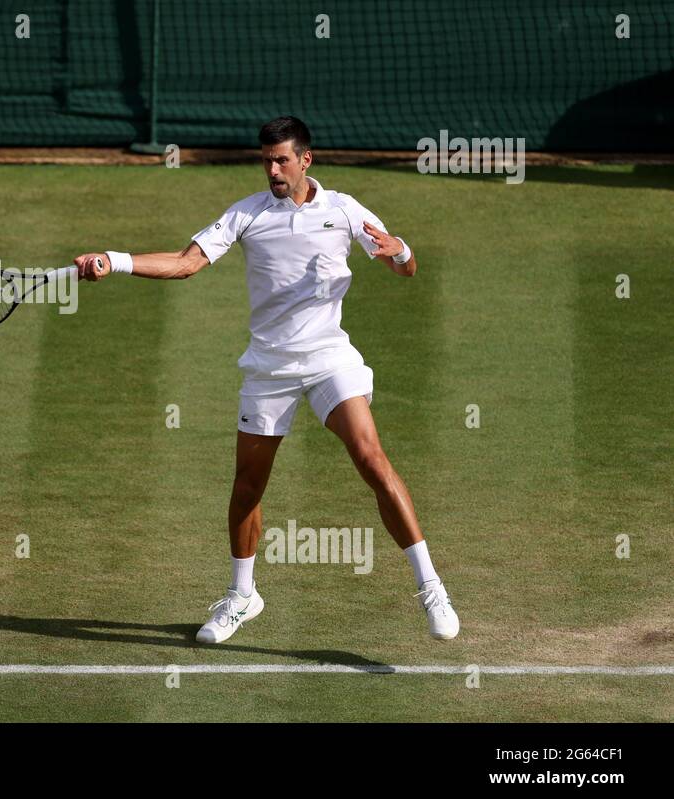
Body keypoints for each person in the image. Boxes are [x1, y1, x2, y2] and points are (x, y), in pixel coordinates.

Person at [72, 116, 459, 643]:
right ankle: (242, 595)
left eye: (282, 160)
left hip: (329, 359)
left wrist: (403, 253)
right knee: (248, 485)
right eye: (266, 161)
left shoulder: (344, 209)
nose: (273, 170)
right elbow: (187, 264)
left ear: (306, 160)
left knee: (371, 457)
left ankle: (430, 586)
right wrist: (114, 261)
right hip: (268, 368)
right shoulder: (247, 214)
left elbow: (402, 265)